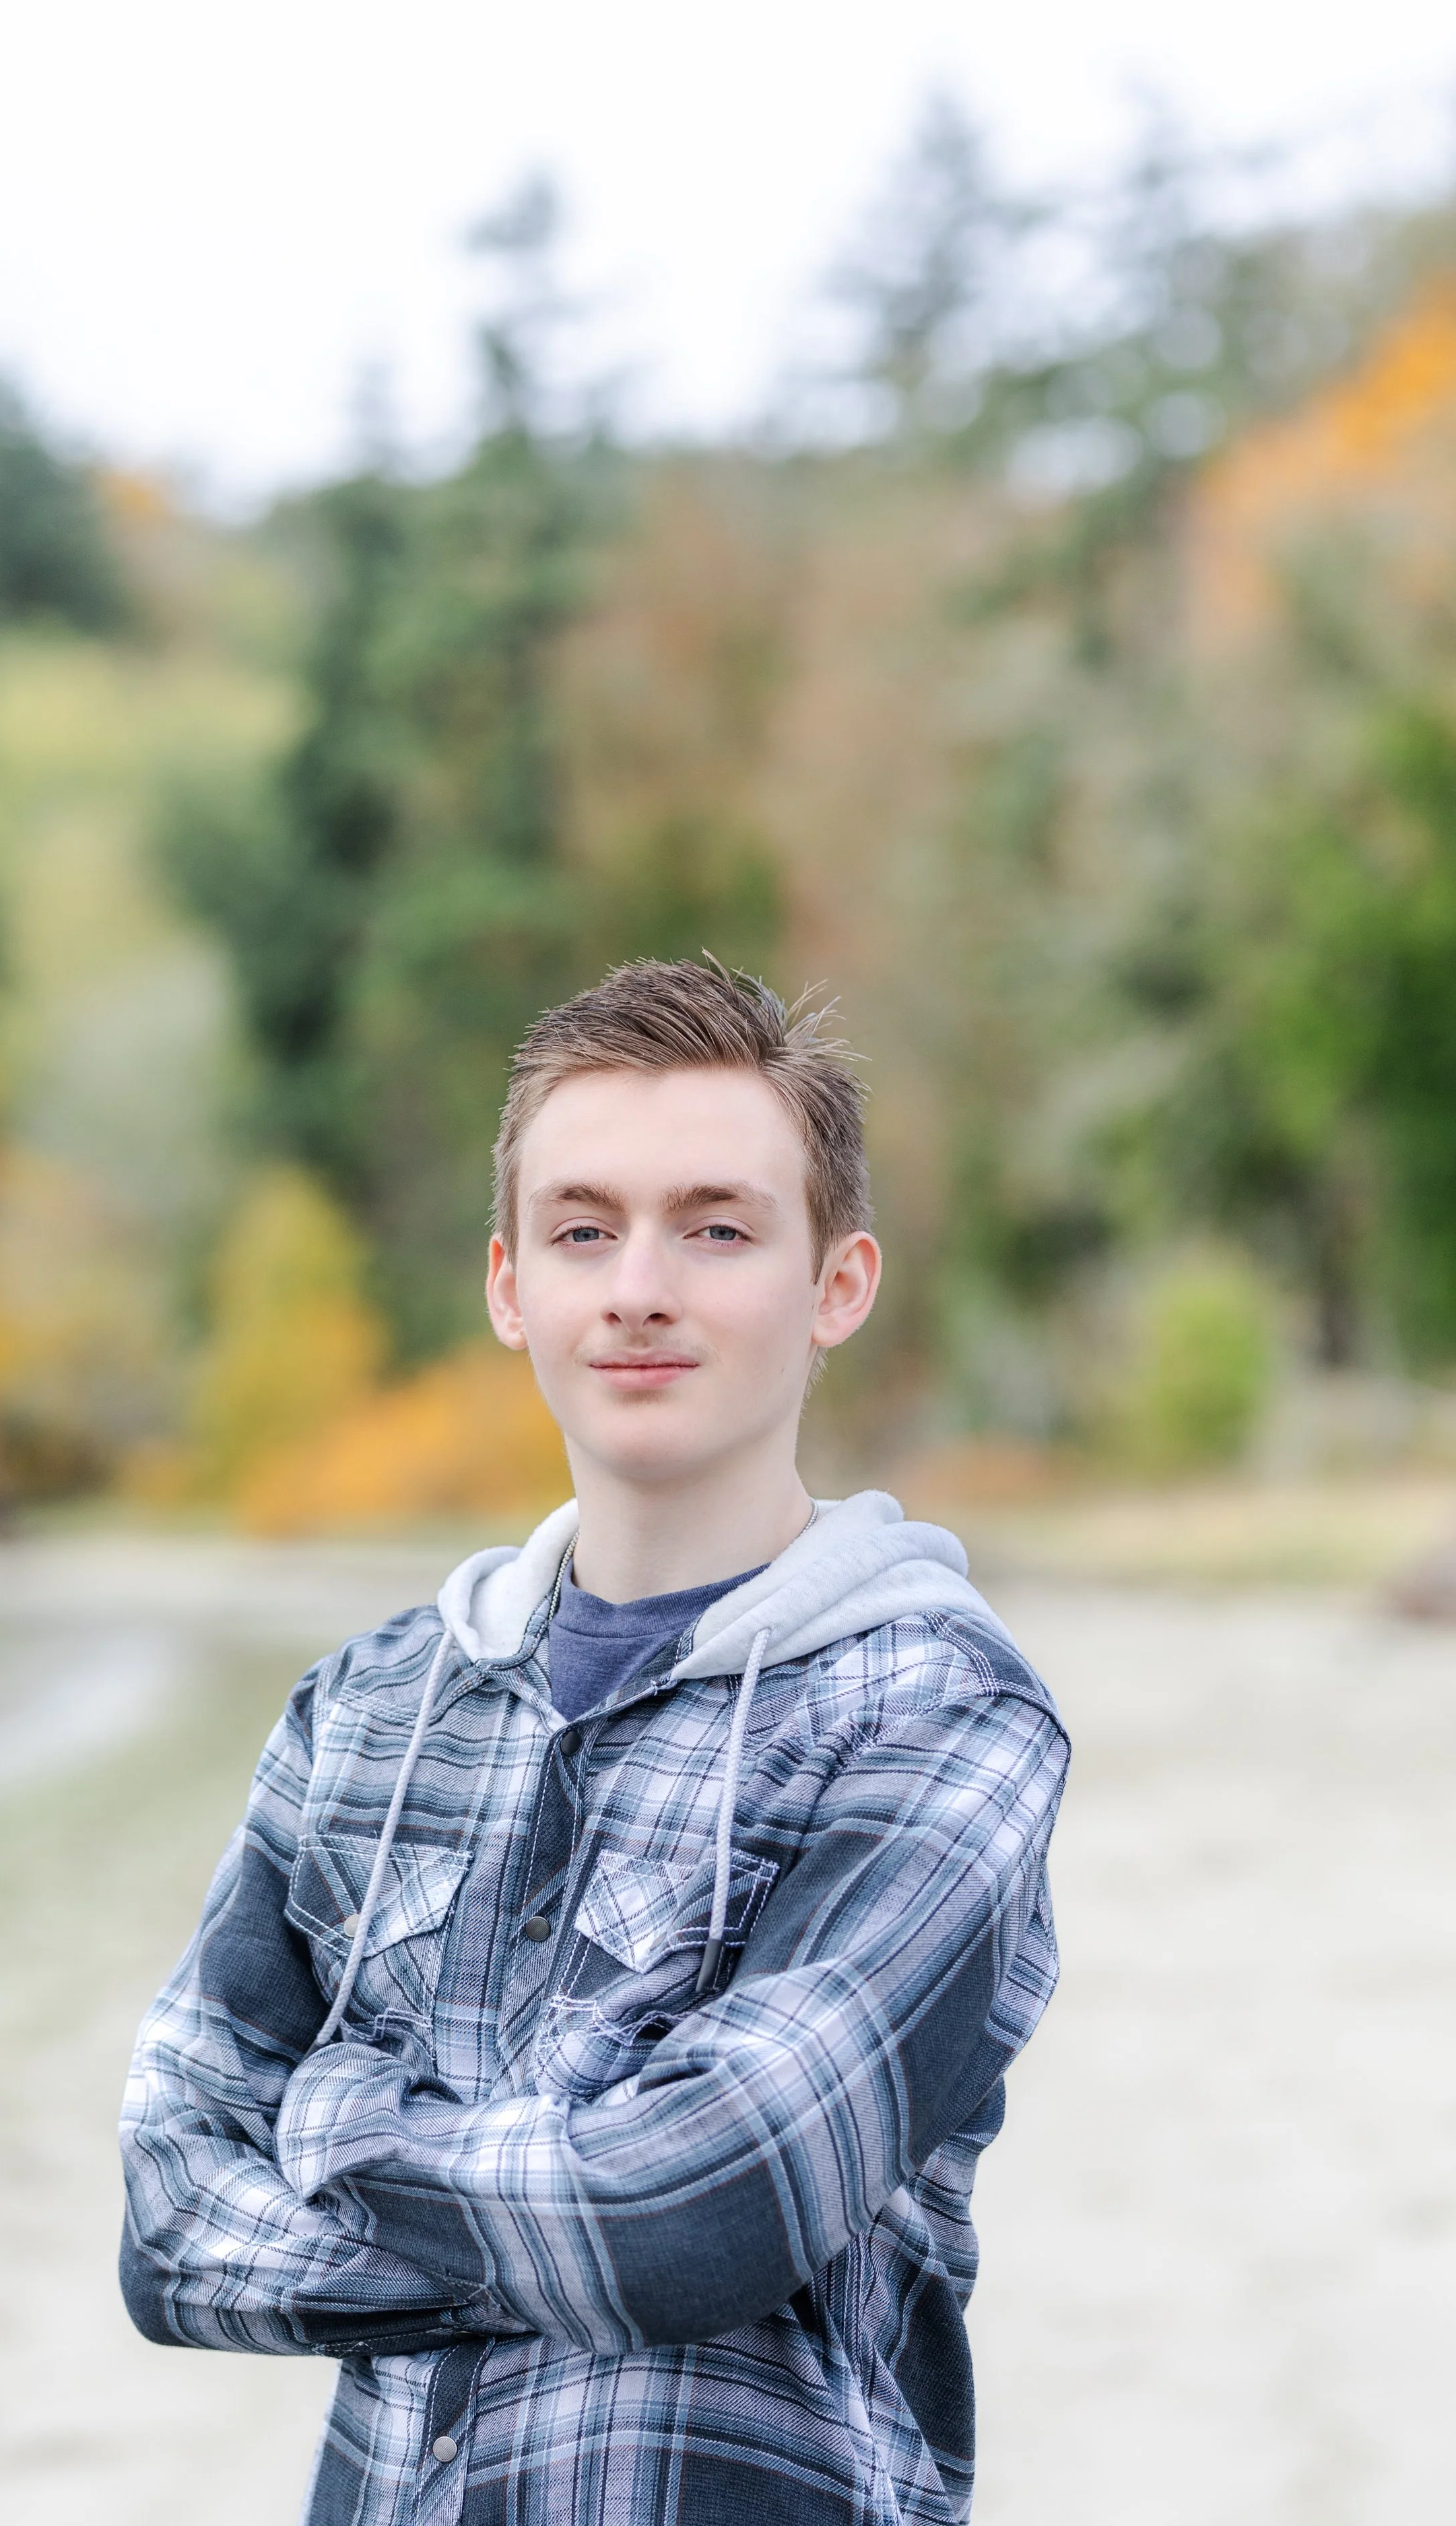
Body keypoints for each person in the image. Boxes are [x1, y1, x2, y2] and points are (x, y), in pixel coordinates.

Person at [119, 957, 1067, 2525]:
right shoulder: (365, 1709)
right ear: (509, 1287)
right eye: (581, 1230)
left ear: (836, 1284)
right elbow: (166, 2222)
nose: (637, 1286)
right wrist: (564, 2226)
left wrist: (333, 2120)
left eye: (715, 1228)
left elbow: (694, 2211)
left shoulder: (935, 1711)